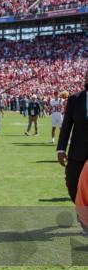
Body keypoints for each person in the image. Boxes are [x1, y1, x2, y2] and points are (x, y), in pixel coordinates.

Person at [57, 71, 88, 202]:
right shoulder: (75, 99)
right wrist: (61, 149)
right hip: (78, 153)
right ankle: (82, 213)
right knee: (72, 183)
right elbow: (66, 126)